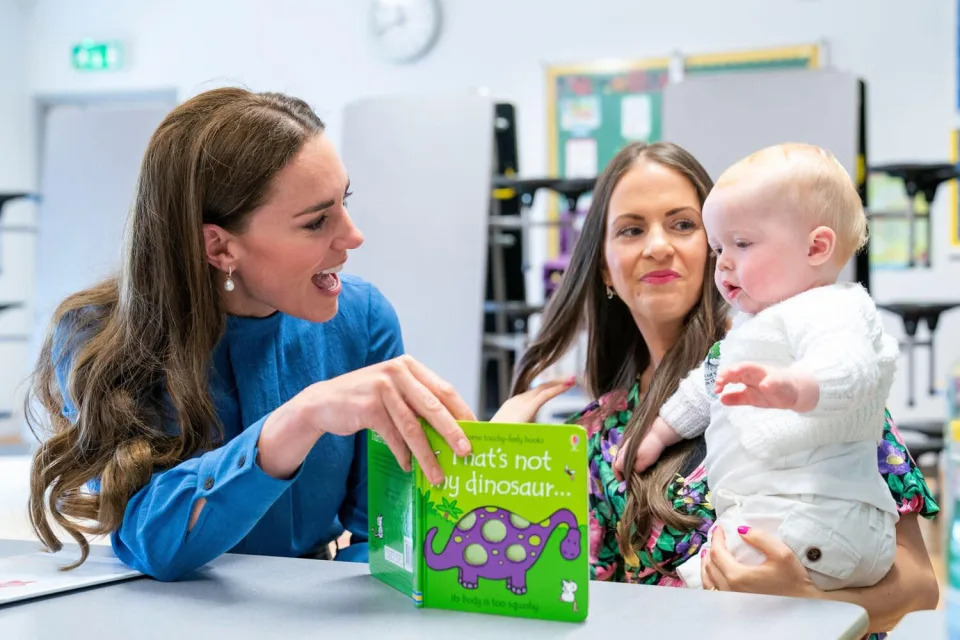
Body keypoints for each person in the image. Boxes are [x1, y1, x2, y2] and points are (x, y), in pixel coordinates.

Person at [27, 88, 475, 581]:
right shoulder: (95, 337)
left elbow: (381, 536)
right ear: (219, 247)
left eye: (344, 201)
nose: (353, 237)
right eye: (317, 221)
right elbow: (152, 542)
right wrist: (299, 420)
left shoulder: (365, 318)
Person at [496, 141, 939, 636]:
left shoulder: (792, 370)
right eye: (631, 229)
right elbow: (570, 597)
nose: (658, 245)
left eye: (683, 224)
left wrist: (805, 599)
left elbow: (920, 585)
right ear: (603, 266)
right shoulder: (601, 433)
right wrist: (504, 457)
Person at [628, 143, 900, 591]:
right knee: (718, 575)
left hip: (824, 516)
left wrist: (797, 388)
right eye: (718, 248)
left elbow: (852, 367)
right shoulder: (752, 329)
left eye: (742, 243)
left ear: (816, 247)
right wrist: (658, 433)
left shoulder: (832, 309)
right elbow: (707, 385)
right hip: (791, 516)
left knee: (713, 579)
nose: (725, 263)